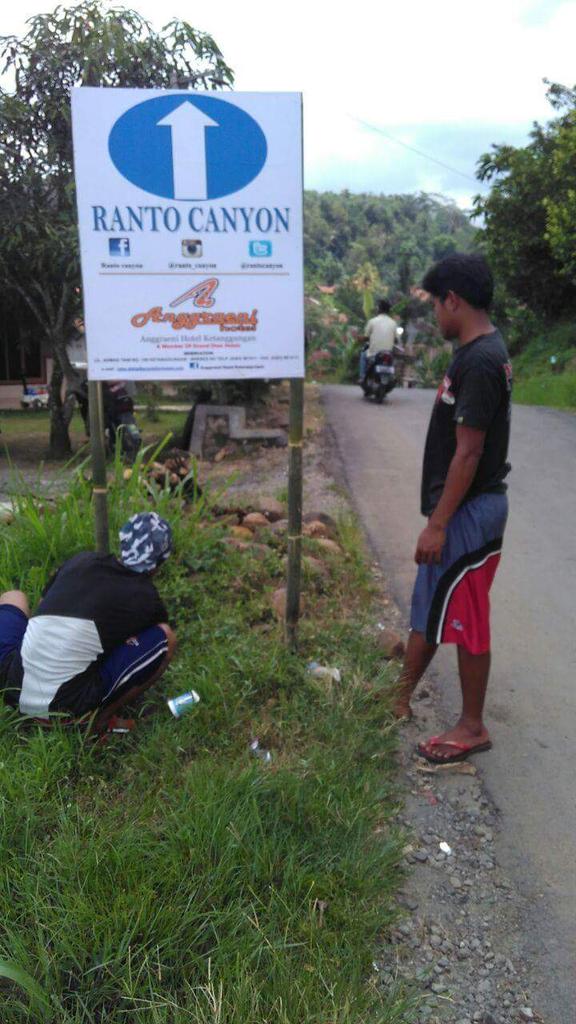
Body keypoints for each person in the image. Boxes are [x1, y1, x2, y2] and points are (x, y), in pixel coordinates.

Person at [394, 253, 513, 764]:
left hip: (469, 513)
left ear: (453, 301)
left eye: (436, 307)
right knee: (433, 599)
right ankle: (398, 699)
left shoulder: (481, 362)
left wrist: (439, 524)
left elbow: (469, 451)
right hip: (459, 511)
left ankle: (472, 726)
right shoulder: (474, 353)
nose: (435, 319)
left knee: (464, 616)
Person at [0, 512, 176, 730]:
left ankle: (34, 690)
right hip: (66, 706)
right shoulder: (146, 598)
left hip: (13, 688)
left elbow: (44, 603)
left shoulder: (81, 561)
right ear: (159, 564)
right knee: (165, 636)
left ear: (122, 543)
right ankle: (98, 720)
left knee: (13, 597)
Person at [359, 299, 398, 381]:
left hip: (373, 353)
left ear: (379, 309)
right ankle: (391, 377)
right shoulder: (393, 323)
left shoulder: (372, 321)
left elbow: (366, 337)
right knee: (393, 361)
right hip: (388, 353)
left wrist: (360, 338)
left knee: (363, 355)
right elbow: (396, 340)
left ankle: (362, 377)